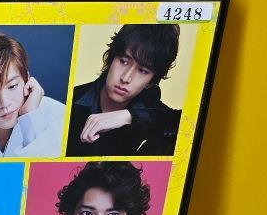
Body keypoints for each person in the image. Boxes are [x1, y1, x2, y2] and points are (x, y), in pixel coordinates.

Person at [65, 25, 182, 156]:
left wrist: (130, 116)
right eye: (124, 61)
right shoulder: (70, 100)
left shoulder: (155, 113)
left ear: (151, 80)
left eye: (142, 71)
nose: (126, 78)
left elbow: (186, 124)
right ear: (110, 59)